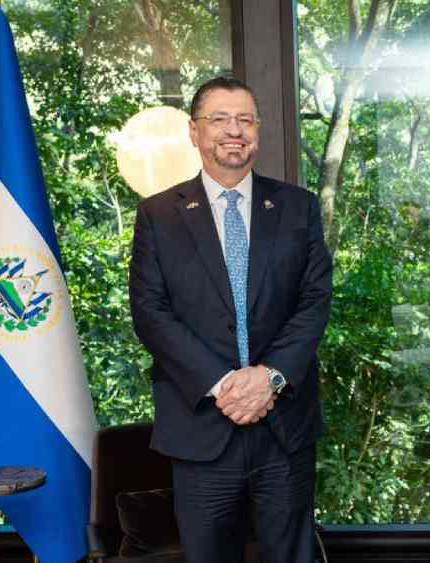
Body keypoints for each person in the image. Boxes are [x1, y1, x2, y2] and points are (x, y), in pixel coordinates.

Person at [129, 76, 332, 562]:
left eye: (244, 119)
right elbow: (150, 313)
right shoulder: (159, 214)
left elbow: (314, 300)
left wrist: (269, 378)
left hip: (284, 427)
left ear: (258, 132)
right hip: (202, 429)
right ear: (195, 133)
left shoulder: (296, 207)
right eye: (218, 119)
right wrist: (225, 386)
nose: (233, 130)